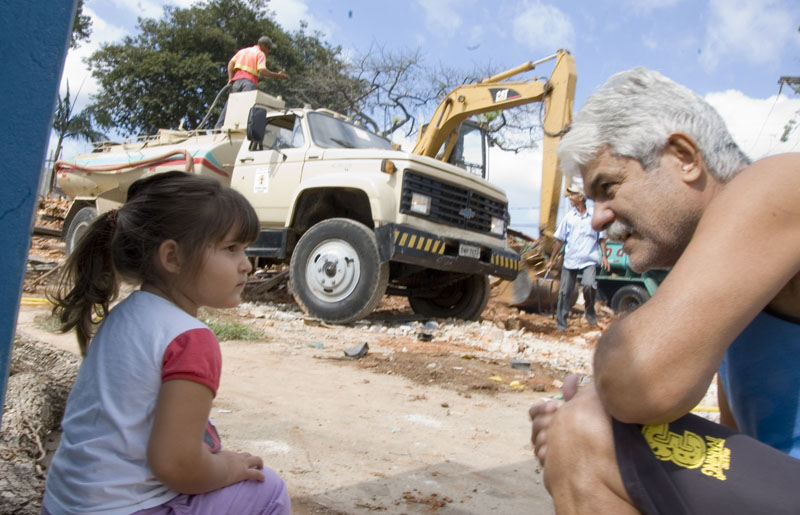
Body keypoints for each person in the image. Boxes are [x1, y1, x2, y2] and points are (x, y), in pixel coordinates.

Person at [528, 67, 800, 514]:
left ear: (684, 156)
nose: (597, 218)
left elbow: (637, 382)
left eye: (608, 187)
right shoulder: (738, 289)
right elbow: (746, 449)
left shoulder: (775, 184)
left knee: (586, 429)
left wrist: (585, 410)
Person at [43, 172, 291, 514]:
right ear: (172, 257)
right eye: (231, 248)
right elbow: (177, 465)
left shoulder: (124, 316)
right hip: (127, 509)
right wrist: (230, 468)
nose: (246, 265)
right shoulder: (189, 339)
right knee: (269, 490)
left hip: (63, 506)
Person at [546, 183, 610, 331]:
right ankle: (561, 324)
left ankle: (590, 313)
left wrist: (604, 256)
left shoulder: (594, 216)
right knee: (564, 292)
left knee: (588, 285)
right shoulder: (569, 218)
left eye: (572, 195)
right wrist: (552, 260)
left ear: (581, 197)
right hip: (571, 260)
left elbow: (601, 238)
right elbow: (560, 240)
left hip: (589, 259)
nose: (569, 197)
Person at [215, 35, 290, 129]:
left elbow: (231, 64)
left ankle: (218, 127)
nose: (269, 51)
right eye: (268, 48)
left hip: (236, 82)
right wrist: (278, 76)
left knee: (231, 105)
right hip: (248, 83)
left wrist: (230, 78)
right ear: (263, 46)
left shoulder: (243, 51)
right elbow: (262, 70)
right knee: (246, 106)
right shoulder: (260, 54)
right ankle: (242, 129)